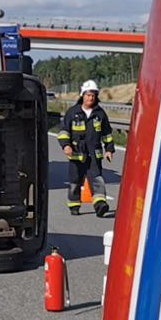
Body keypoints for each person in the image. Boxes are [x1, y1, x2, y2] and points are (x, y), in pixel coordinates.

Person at [57, 80, 115, 217]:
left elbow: (106, 133)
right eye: (88, 95)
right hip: (76, 155)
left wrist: (109, 149)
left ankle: (100, 205)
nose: (91, 98)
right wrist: (66, 145)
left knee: (97, 179)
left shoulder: (100, 114)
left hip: (94, 155)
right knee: (75, 182)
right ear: (83, 95)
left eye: (93, 95)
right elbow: (64, 131)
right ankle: (74, 205)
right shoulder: (72, 113)